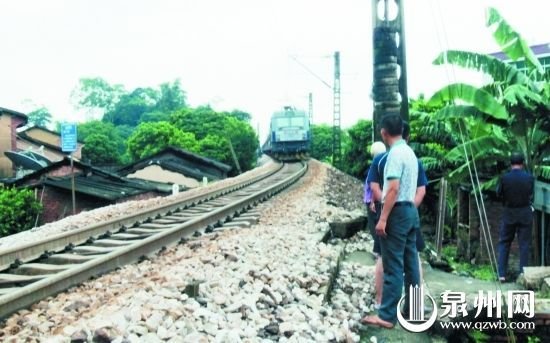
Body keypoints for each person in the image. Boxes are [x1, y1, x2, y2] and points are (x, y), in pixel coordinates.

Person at [362, 115, 420, 329]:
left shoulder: (394, 154)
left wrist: (383, 218)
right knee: (411, 263)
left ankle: (386, 316)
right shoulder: (410, 153)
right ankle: (413, 310)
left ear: (383, 132)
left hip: (396, 212)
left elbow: (393, 188)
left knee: (393, 265)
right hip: (410, 211)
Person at [496, 151, 534, 282]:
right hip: (525, 213)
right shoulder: (529, 178)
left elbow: (499, 194)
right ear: (522, 164)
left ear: (510, 163)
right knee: (524, 244)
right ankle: (523, 274)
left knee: (504, 243)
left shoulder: (504, 178)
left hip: (509, 213)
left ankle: (501, 274)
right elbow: (531, 195)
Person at [364, 141, 387, 240]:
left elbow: (374, 186)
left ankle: (378, 251)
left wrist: (372, 201)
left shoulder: (375, 165)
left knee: (374, 225)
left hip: (373, 200)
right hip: (381, 199)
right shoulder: (386, 163)